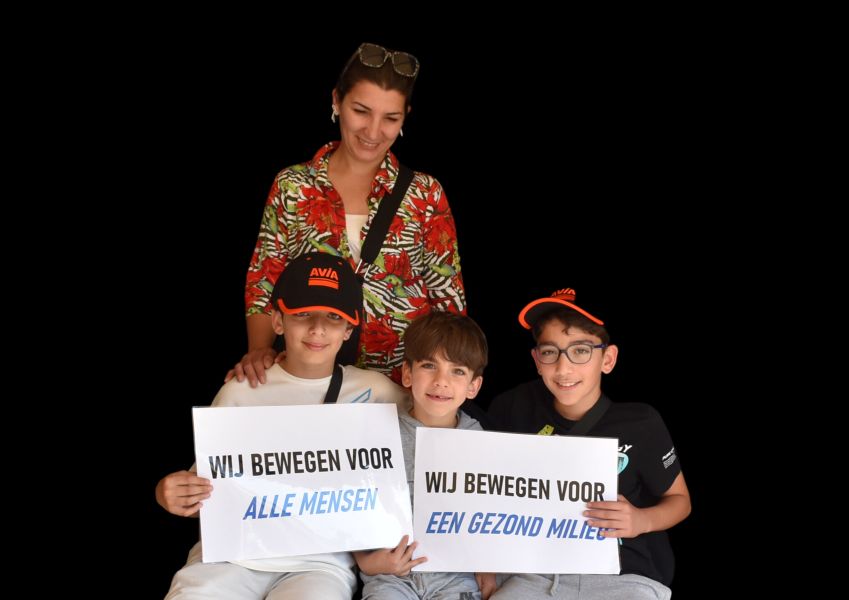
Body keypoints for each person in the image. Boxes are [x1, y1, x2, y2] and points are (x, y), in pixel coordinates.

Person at [157, 253, 409, 600]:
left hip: (320, 561)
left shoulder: (378, 392)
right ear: (277, 321)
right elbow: (205, 483)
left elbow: (436, 430)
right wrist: (169, 493)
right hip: (234, 554)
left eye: (334, 317)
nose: (317, 328)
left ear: (350, 329)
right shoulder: (242, 389)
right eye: (302, 314)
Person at [230, 42, 466, 388]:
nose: (373, 131)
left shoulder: (425, 193)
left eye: (390, 118)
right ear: (336, 101)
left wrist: (440, 385)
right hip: (310, 378)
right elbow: (265, 278)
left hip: (403, 386)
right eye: (361, 111)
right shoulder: (293, 185)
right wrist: (259, 351)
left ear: (405, 117)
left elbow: (448, 301)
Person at [487, 288, 691, 600]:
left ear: (607, 359)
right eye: (550, 352)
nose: (563, 368)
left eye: (580, 351)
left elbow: (680, 501)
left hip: (623, 579)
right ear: (537, 360)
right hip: (534, 576)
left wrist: (642, 520)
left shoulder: (640, 423)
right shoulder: (512, 408)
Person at [355, 312, 497, 600]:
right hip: (391, 576)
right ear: (407, 373)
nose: (441, 381)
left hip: (456, 579)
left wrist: (488, 564)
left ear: (474, 386)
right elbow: (354, 504)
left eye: (457, 371)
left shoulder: (481, 441)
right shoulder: (378, 434)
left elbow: (491, 513)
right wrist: (368, 562)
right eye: (429, 366)